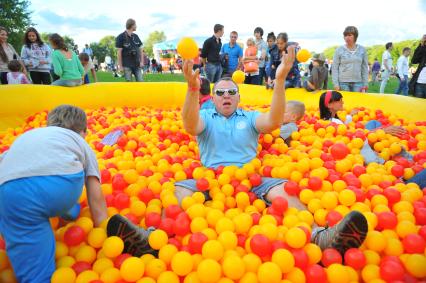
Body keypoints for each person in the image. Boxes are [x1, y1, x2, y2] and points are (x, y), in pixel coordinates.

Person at [177, 47, 368, 256]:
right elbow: (189, 125)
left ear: (238, 97)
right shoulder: (206, 118)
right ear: (213, 99)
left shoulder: (249, 118)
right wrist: (192, 89)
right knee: (178, 191)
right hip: (209, 178)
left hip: (250, 179)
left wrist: (280, 80)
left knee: (284, 189)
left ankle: (318, 235)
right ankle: (152, 237)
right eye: (220, 93)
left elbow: (274, 121)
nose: (226, 96)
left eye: (231, 92)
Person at [0, 105, 108, 283]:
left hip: (8, 189)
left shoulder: (28, 136)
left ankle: (65, 212)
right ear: (83, 131)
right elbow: (95, 195)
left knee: (21, 225)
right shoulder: (79, 141)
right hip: (59, 186)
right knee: (37, 271)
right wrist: (103, 231)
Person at [332, 26, 368, 92]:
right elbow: (334, 68)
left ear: (355, 36)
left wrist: (365, 83)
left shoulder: (362, 50)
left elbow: (364, 68)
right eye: (345, 35)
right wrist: (336, 84)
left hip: (358, 83)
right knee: (345, 102)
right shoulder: (338, 50)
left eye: (349, 35)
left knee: (357, 102)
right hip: (343, 83)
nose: (347, 37)